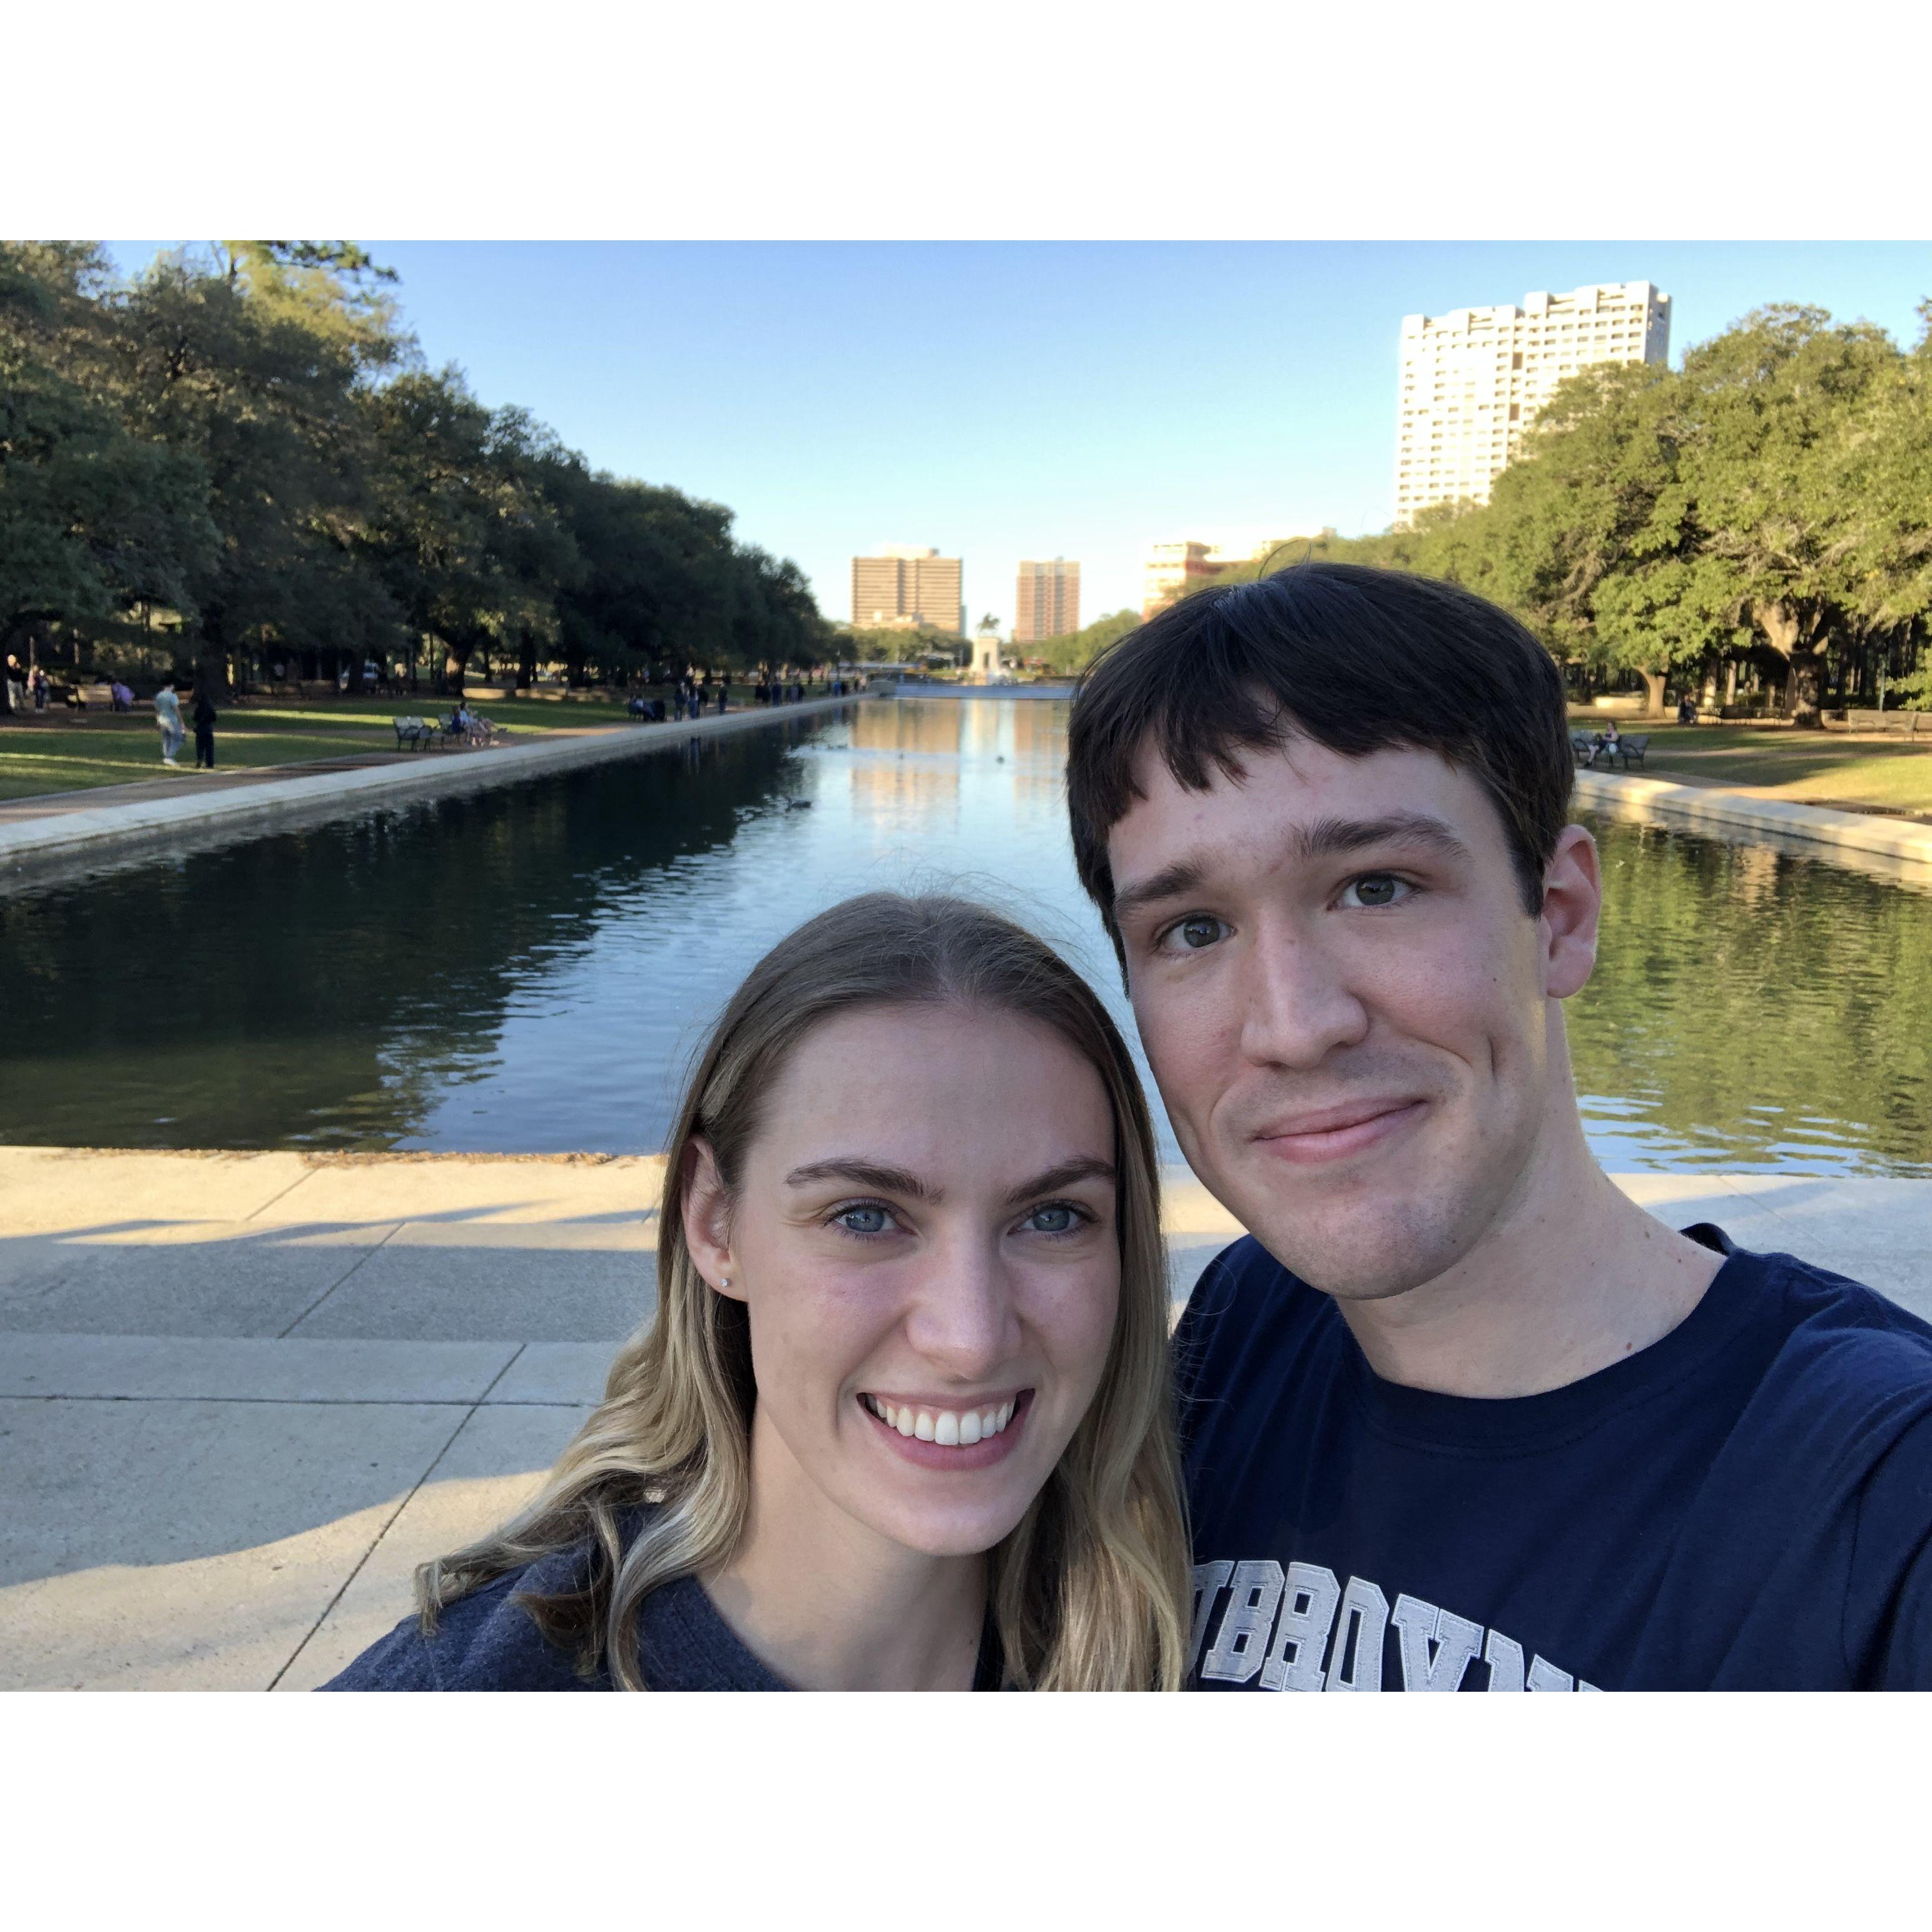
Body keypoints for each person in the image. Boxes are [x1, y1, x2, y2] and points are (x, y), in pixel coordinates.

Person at [1065, 562, 1932, 1690]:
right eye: (1191, 928)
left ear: (1558, 917)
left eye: (1374, 886)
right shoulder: (1245, 1326)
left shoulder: (1878, 1497)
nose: (1291, 1025)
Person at [323, 893, 1190, 1690]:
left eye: (1052, 1218)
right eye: (863, 1216)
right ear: (714, 1224)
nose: (970, 1337)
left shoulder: (1178, 1647)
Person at [152, 679, 185, 767]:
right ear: (172, 686)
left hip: (162, 719)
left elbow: (157, 709)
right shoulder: (172, 696)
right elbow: (176, 709)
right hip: (171, 720)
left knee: (166, 738)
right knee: (178, 738)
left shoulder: (159, 696)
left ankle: (166, 756)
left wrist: (158, 720)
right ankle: (169, 757)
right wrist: (182, 722)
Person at [190, 683, 218, 769]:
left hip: (200, 729)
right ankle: (210, 763)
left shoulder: (199, 708)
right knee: (209, 748)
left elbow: (195, 718)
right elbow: (214, 718)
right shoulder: (210, 707)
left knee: (200, 747)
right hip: (208, 729)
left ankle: (200, 760)